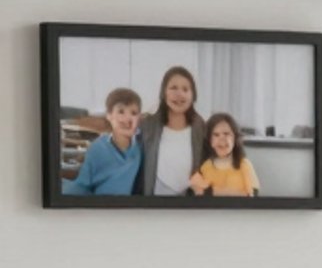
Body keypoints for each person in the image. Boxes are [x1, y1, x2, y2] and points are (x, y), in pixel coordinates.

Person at [138, 66, 208, 197]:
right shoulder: (148, 125)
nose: (179, 94)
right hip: (155, 199)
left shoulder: (200, 126)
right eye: (173, 88)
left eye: (185, 89)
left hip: (189, 201)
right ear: (164, 93)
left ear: (193, 96)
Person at [62, 88, 144, 195]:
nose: (127, 118)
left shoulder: (141, 148)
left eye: (133, 113)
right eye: (121, 112)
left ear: (139, 118)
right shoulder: (98, 148)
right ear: (109, 115)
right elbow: (82, 185)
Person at [187, 114, 261, 197]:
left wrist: (212, 191)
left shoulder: (244, 164)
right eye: (216, 135)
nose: (221, 138)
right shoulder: (205, 167)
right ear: (210, 141)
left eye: (226, 134)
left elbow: (252, 195)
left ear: (235, 138)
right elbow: (200, 194)